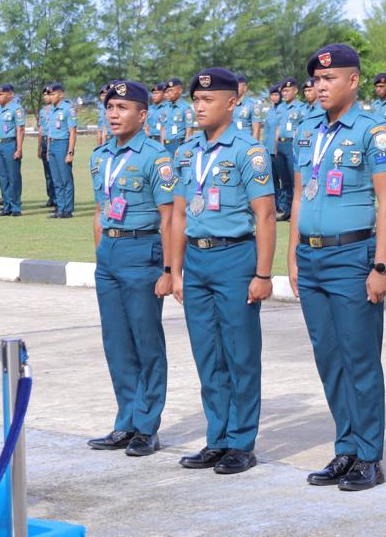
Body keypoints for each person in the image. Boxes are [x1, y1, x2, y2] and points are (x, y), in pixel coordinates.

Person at [289, 44, 386, 492]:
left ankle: (369, 456)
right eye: (316, 79)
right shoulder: (306, 130)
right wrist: (293, 254)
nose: (320, 86)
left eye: (329, 79)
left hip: (352, 257)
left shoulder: (374, 131)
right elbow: (298, 195)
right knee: (329, 358)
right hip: (311, 257)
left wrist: (382, 265)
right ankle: (346, 448)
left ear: (353, 81)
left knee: (360, 359)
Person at [168, 67, 275, 475]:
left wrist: (262, 275)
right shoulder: (186, 153)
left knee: (240, 353)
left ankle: (241, 442)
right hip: (197, 260)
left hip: (234, 258)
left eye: (208, 100)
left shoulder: (248, 151)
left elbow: (265, 216)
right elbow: (179, 215)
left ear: (232, 103)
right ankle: (217, 437)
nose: (199, 106)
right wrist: (175, 270)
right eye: (196, 100)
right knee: (208, 354)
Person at [86, 79, 176, 457]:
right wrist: (101, 253)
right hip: (110, 251)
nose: (114, 114)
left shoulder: (156, 157)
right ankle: (125, 421)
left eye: (122, 108)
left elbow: (169, 217)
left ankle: (147, 425)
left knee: (145, 340)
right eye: (110, 107)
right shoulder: (100, 156)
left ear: (142, 115)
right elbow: (99, 209)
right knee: (117, 342)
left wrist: (169, 269)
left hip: (143, 250)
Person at [272, 78, 305, 220]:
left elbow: (303, 129)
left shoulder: (301, 107)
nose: (285, 93)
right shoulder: (280, 108)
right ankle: (286, 210)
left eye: (287, 90)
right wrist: (275, 147)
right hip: (281, 144)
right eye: (283, 91)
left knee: (294, 179)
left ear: (295, 91)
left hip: (293, 145)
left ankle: (299, 211)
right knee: (284, 180)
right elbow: (278, 128)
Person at [0, 84, 26, 217]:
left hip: (10, 144)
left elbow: (20, 129)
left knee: (13, 177)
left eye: (1, 94)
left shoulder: (16, 109)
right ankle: (6, 206)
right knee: (3, 178)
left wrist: (19, 148)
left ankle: (15, 207)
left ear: (10, 95)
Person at [46, 82, 78, 218]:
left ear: (61, 94)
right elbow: (50, 131)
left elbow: (73, 132)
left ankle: (67, 210)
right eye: (50, 94)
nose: (51, 97)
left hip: (63, 144)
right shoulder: (51, 109)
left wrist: (70, 152)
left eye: (53, 94)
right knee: (56, 180)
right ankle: (60, 208)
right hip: (52, 144)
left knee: (65, 179)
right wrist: (48, 149)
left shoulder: (67, 109)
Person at [159, 77, 194, 153]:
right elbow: (163, 128)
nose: (169, 93)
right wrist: (161, 146)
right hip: (166, 145)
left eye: (171, 90)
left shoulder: (186, 108)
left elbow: (189, 132)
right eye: (168, 91)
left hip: (179, 145)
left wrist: (185, 149)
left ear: (180, 91)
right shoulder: (165, 108)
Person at [38, 86, 57, 208]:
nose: (46, 97)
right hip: (44, 142)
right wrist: (39, 146)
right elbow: (41, 129)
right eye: (45, 95)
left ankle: (57, 199)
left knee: (55, 172)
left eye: (49, 94)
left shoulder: (57, 109)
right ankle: (51, 197)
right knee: (47, 173)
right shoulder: (42, 111)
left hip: (54, 141)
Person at [231, 73, 260, 139]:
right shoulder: (229, 104)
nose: (234, 88)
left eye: (237, 86)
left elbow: (256, 130)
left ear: (245, 88)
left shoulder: (253, 104)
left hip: (245, 142)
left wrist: (254, 145)